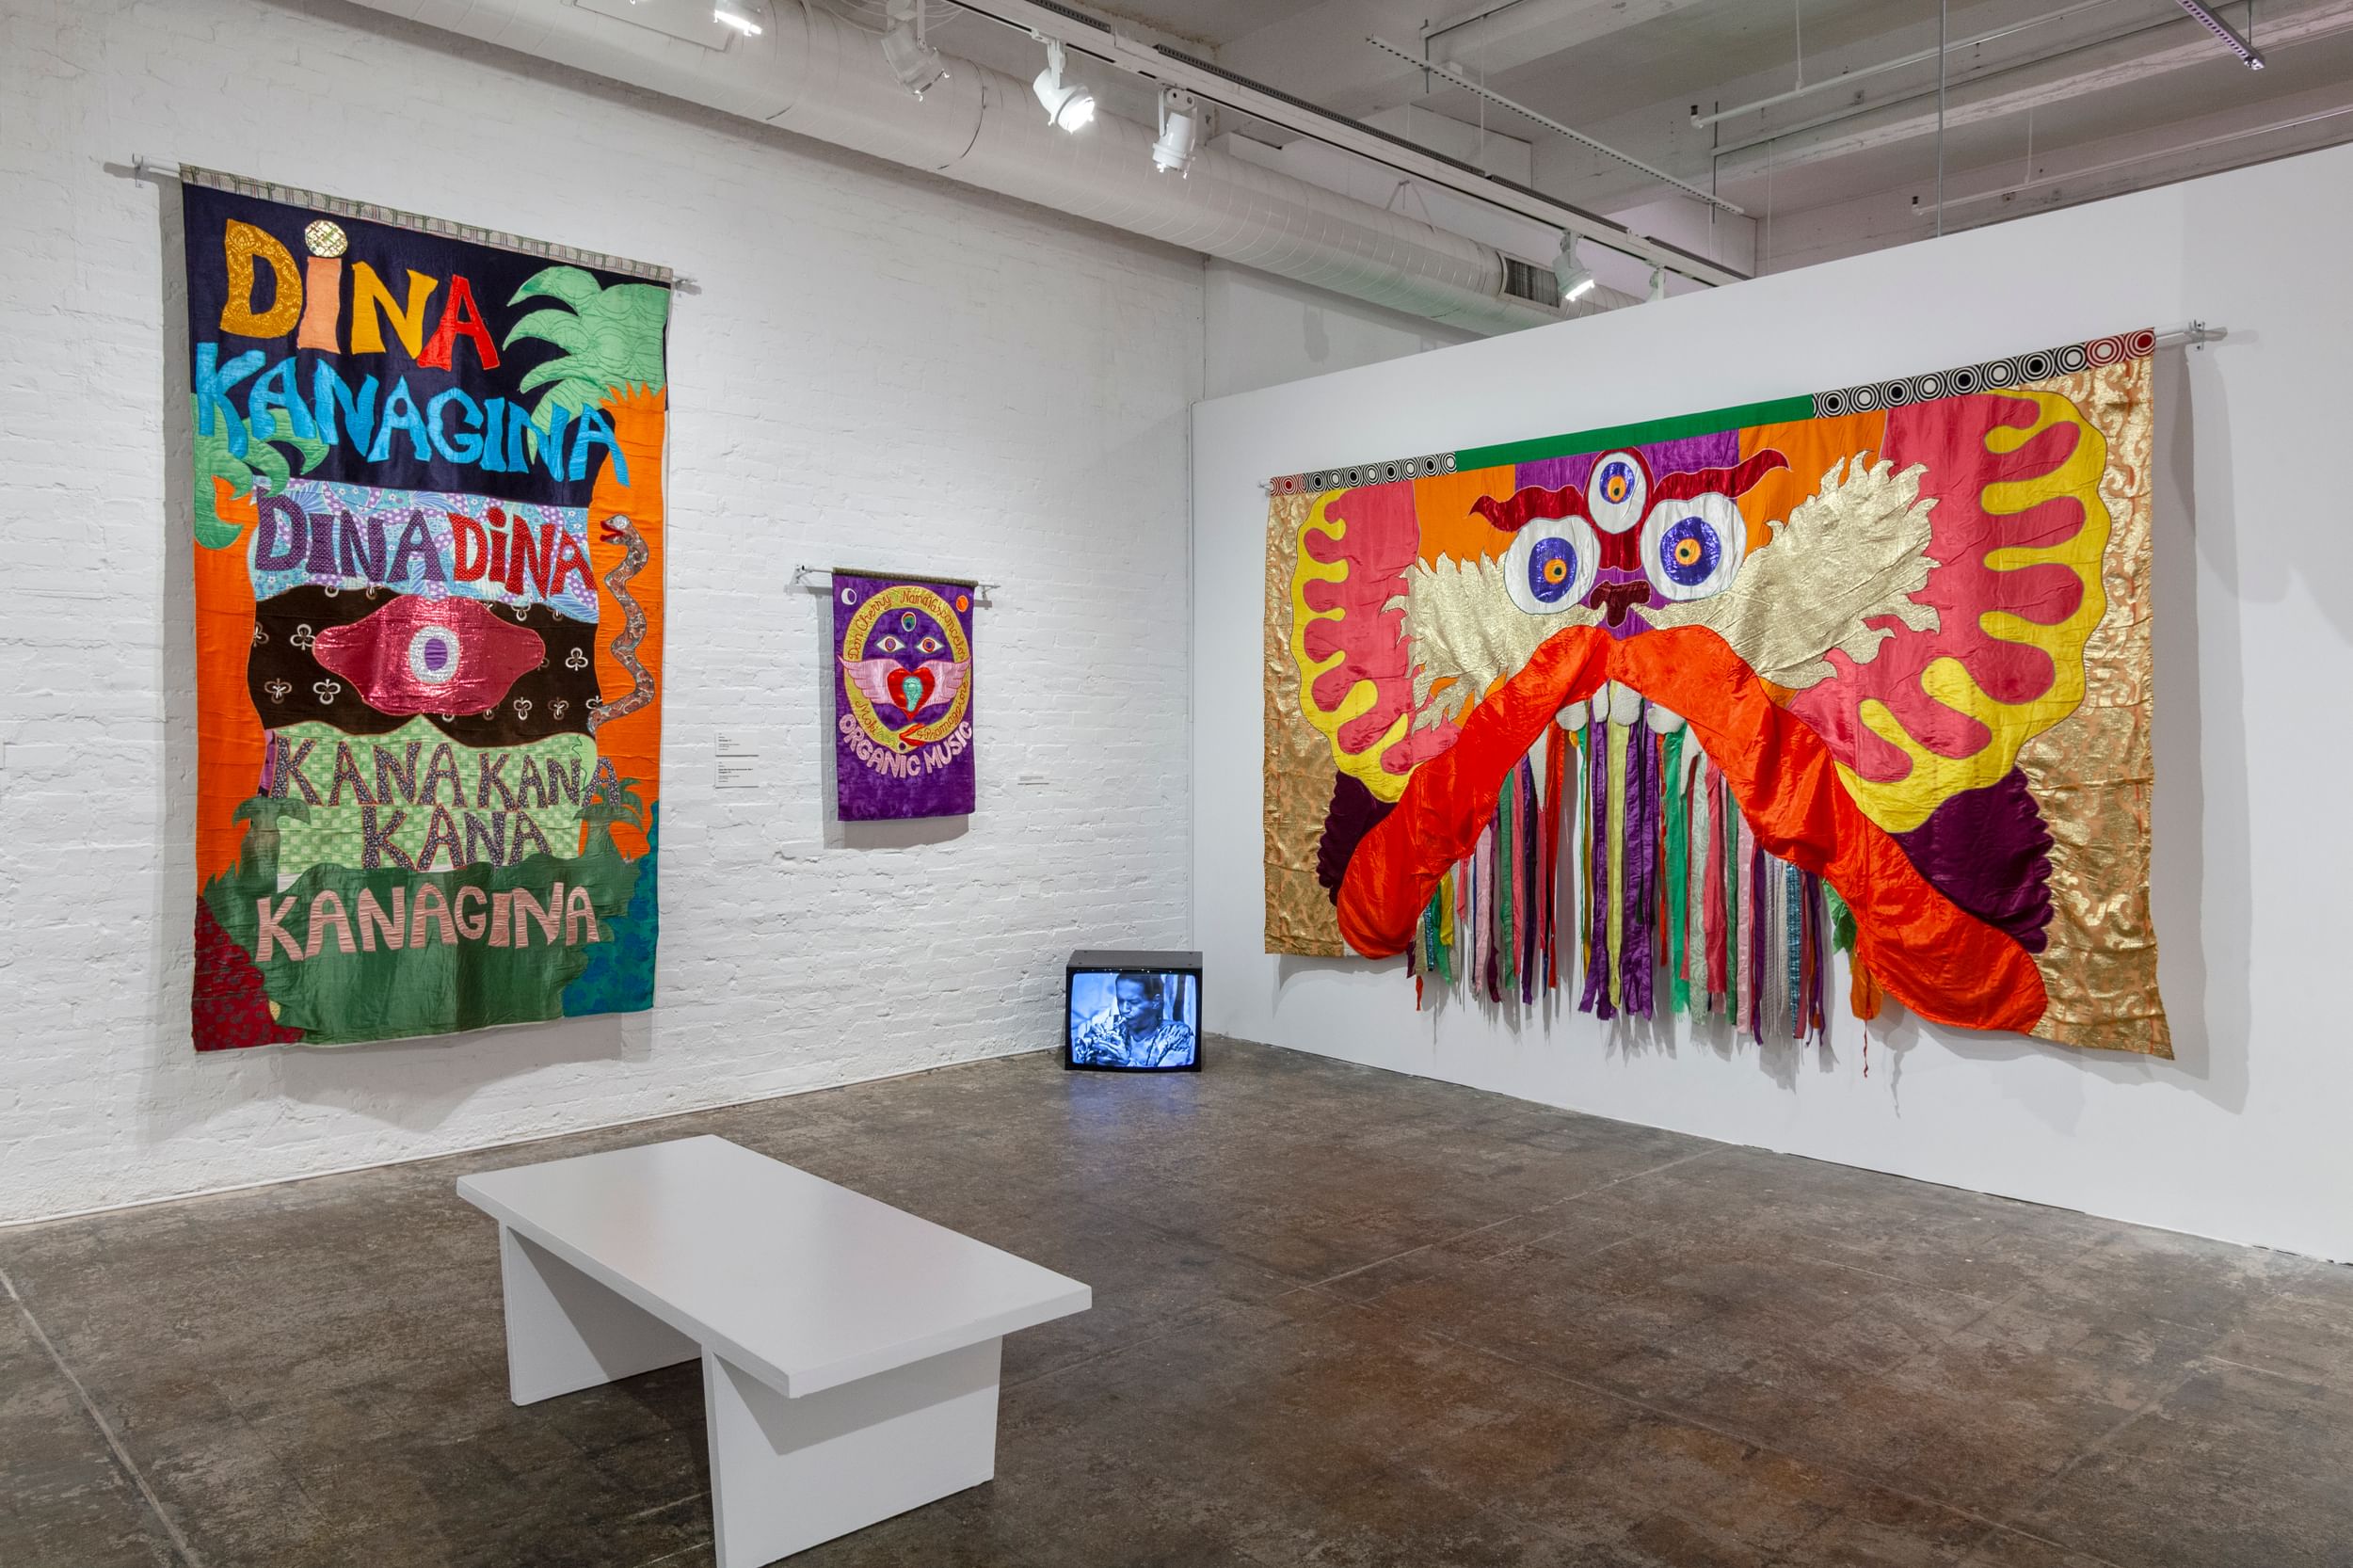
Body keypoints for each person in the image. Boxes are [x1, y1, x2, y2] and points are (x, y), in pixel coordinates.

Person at [1072, 973, 1195, 1067]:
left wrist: (1126, 1064)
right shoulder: (1109, 1025)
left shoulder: (1179, 1034)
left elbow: (1167, 1082)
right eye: (1120, 1001)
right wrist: (1090, 1057)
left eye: (1133, 1002)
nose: (1124, 1009)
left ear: (1155, 1002)